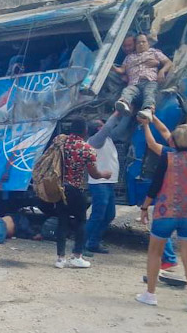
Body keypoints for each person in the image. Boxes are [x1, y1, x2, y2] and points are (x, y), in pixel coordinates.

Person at [137, 124, 187, 313]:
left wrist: (145, 206)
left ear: (175, 140)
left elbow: (156, 184)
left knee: (155, 253)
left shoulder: (168, 157)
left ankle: (150, 295)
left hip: (166, 212)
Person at [43, 119, 112, 269]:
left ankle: (60, 259)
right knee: (81, 221)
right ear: (85, 131)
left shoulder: (61, 142)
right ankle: (77, 256)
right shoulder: (87, 149)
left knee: (62, 222)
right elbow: (94, 174)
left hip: (60, 188)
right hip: (76, 190)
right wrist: (105, 175)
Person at [140, 115, 183, 270]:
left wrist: (145, 125)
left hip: (169, 196)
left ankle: (170, 258)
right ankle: (172, 258)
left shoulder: (169, 154)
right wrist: (153, 117)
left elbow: (151, 144)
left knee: (161, 227)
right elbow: (164, 130)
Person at [84, 114, 122, 254]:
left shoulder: (107, 139)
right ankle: (81, 245)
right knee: (97, 216)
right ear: (98, 129)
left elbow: (118, 129)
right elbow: (107, 128)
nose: (105, 127)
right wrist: (116, 113)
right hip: (99, 183)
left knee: (108, 215)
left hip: (107, 183)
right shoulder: (94, 141)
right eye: (101, 125)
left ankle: (93, 243)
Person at [112, 33, 173, 122]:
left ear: (148, 43)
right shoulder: (129, 57)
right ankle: (124, 103)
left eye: (143, 42)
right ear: (135, 45)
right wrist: (113, 67)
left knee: (149, 93)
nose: (141, 44)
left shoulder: (154, 52)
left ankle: (148, 110)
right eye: (138, 43)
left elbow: (168, 62)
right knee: (127, 91)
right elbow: (122, 70)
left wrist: (162, 71)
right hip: (134, 83)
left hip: (149, 81)